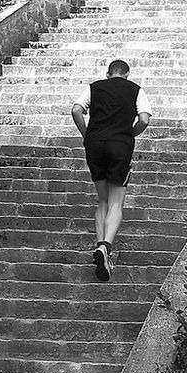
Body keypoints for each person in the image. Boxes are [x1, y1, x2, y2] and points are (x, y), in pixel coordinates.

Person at [70, 59, 152, 282]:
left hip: (95, 145)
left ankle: (100, 247)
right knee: (116, 201)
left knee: (102, 200)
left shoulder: (94, 87)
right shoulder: (135, 89)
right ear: (126, 74)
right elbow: (144, 119)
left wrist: (86, 135)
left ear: (108, 74)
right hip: (120, 146)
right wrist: (129, 135)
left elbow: (76, 110)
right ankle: (106, 246)